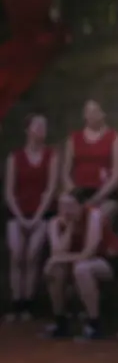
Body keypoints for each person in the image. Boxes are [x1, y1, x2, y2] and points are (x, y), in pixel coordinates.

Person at [44, 191, 118, 340]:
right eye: (62, 206)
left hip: (106, 259)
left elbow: (89, 252)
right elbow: (57, 251)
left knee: (82, 269)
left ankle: (95, 324)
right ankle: (61, 321)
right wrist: (69, 228)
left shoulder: (94, 215)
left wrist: (57, 259)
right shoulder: (55, 223)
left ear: (81, 205)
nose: (65, 210)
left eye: (70, 206)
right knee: (55, 270)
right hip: (75, 261)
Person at [4, 113, 59, 321]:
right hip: (17, 212)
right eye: (37, 125)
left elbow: (51, 189)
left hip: (41, 212)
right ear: (27, 130)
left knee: (32, 256)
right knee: (17, 255)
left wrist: (37, 217)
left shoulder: (51, 155)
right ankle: (16, 303)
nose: (41, 129)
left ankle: (28, 303)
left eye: (44, 126)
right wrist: (21, 217)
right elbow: (9, 192)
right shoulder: (15, 157)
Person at [61, 100, 118, 227]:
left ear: (103, 114)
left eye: (95, 111)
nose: (91, 115)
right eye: (88, 111)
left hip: (105, 193)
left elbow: (117, 174)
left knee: (96, 217)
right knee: (65, 207)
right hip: (80, 191)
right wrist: (73, 191)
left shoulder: (114, 137)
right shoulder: (73, 139)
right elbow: (65, 172)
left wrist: (96, 199)